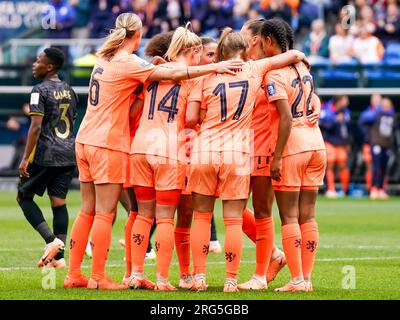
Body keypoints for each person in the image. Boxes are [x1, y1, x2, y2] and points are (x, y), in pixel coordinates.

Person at [64, 12, 243, 291]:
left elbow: (137, 106)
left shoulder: (106, 60)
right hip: (147, 147)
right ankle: (151, 279)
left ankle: (106, 273)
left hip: (104, 141)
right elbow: (190, 110)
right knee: (150, 218)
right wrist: (214, 69)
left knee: (121, 213)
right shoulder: (146, 66)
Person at [186, 26, 308, 292]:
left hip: (205, 149)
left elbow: (191, 119)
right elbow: (286, 57)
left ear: (219, 52)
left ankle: (199, 278)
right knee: (233, 220)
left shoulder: (205, 76)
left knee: (202, 217)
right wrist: (300, 56)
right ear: (244, 50)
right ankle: (231, 280)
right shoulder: (254, 69)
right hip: (237, 153)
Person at [127, 24, 209, 291]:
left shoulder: (153, 72)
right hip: (168, 150)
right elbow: (190, 118)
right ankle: (162, 279)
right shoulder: (192, 79)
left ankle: (135, 274)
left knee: (142, 215)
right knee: (164, 219)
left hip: (140, 146)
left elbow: (134, 109)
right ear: (194, 51)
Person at [262, 19, 326, 292]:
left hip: (293, 146)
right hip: (316, 143)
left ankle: (297, 279)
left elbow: (285, 118)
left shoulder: (274, 74)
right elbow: (313, 101)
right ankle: (307, 279)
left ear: (267, 40)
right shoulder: (304, 67)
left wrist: (276, 157)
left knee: (288, 216)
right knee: (308, 216)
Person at [237, 19, 289, 290]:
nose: (240, 37)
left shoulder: (271, 69)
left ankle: (259, 276)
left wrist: (312, 104)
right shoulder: (245, 66)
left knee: (261, 211)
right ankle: (274, 255)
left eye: (244, 33)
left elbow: (292, 95)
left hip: (262, 147)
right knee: (233, 205)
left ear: (256, 39)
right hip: (241, 147)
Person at [17, 47, 78, 269]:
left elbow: (35, 127)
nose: (35, 63)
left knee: (23, 197)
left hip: (46, 154)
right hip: (68, 153)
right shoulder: (70, 90)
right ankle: (59, 259)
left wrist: (25, 159)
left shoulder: (38, 90)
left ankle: (52, 242)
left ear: (49, 66)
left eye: (38, 60)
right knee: (58, 202)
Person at [319, 95, 351, 198]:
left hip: (341, 143)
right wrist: (335, 120)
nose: (347, 102)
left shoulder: (346, 112)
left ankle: (344, 190)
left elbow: (346, 130)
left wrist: (347, 143)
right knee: (330, 165)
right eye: (345, 100)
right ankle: (331, 189)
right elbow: (322, 124)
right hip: (329, 141)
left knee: (343, 165)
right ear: (339, 101)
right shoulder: (327, 109)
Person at [365, 97, 396, 200]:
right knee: (376, 167)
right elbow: (364, 119)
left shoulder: (392, 115)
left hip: (386, 145)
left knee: (384, 168)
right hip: (377, 143)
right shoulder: (375, 114)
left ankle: (381, 188)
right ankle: (374, 188)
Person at [359, 94, 382, 192]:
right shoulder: (367, 113)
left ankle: (380, 188)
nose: (376, 102)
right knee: (370, 167)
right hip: (369, 143)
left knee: (380, 167)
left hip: (381, 144)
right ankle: (370, 189)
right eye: (375, 99)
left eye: (378, 100)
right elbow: (364, 121)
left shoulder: (384, 113)